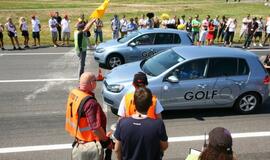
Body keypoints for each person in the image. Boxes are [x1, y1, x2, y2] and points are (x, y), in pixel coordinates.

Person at [65, 72, 113, 160]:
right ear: (92, 83)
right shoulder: (90, 103)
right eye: (95, 81)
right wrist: (106, 141)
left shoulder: (74, 93)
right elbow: (95, 128)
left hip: (78, 140)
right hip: (90, 145)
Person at [114, 87, 168, 160]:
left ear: (134, 103)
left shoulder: (122, 123)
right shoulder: (158, 124)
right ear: (151, 104)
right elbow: (164, 146)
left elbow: (117, 149)